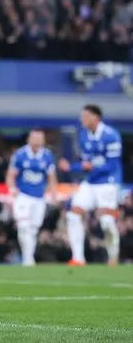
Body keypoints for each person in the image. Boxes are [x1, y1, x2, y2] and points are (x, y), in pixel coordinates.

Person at [58, 104, 122, 266]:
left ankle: (113, 256)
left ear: (96, 117)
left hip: (108, 182)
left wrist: (92, 167)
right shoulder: (83, 135)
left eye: (85, 116)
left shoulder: (111, 135)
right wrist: (70, 167)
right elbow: (86, 164)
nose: (82, 119)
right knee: (73, 215)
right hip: (91, 182)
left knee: (107, 221)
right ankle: (78, 258)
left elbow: (112, 165)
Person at [6, 128, 57, 266]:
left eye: (40, 138)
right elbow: (11, 174)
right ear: (29, 139)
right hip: (23, 196)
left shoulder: (47, 155)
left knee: (33, 229)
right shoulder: (20, 154)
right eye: (35, 138)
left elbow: (51, 176)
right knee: (23, 226)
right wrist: (12, 189)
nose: (38, 141)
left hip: (39, 197)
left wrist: (53, 193)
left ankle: (28, 256)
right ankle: (28, 259)